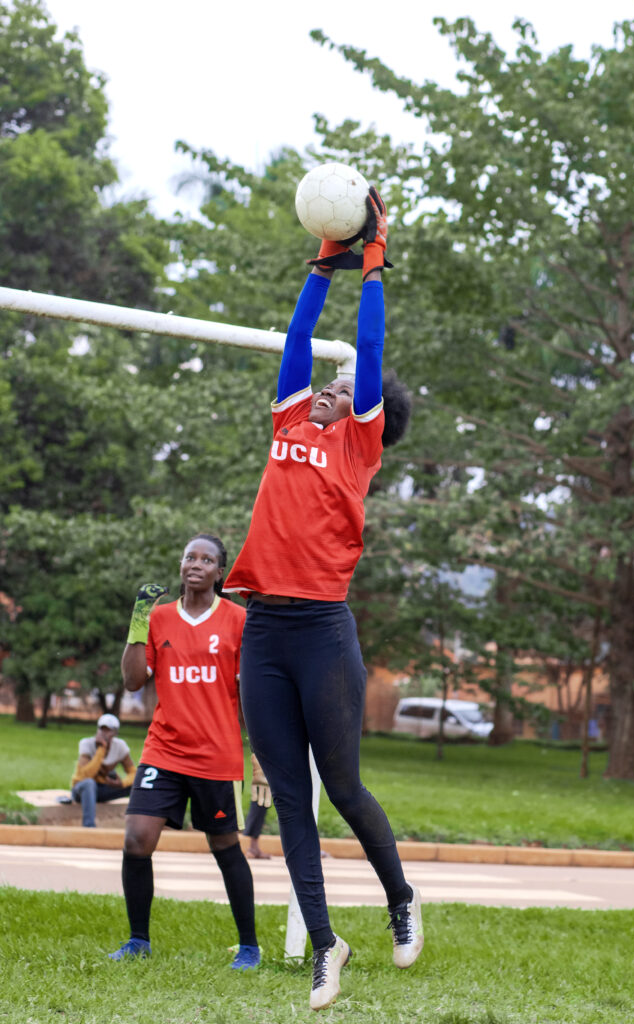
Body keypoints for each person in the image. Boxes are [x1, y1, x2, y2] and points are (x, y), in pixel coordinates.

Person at [223, 188, 422, 1011]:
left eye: (350, 384)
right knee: (289, 798)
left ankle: (401, 897)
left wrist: (373, 266)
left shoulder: (358, 444)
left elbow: (366, 348)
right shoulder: (292, 418)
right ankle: (324, 943)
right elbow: (302, 336)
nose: (337, 383)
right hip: (263, 629)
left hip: (321, 632)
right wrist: (320, 267)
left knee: (342, 786)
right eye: (334, 381)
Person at [110, 534, 260, 970]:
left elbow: (251, 694)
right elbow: (134, 681)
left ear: (220, 571)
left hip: (217, 755)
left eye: (206, 558)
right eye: (189, 556)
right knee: (137, 840)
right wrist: (138, 623)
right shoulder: (157, 618)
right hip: (164, 751)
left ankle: (249, 946)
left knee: (225, 845)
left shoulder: (238, 620)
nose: (195, 563)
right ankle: (139, 940)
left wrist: (262, 752)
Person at [70, 713, 136, 827]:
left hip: (103, 789)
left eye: (108, 730)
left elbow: (133, 773)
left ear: (115, 733)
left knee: (138, 785)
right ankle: (89, 828)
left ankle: (138, 826)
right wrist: (101, 749)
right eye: (102, 729)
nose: (104, 733)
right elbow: (85, 775)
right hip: (81, 790)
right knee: (89, 784)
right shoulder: (86, 744)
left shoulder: (120, 746)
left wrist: (121, 783)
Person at [243, 753, 272, 859]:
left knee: (262, 797)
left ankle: (253, 846)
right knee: (262, 796)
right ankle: (252, 847)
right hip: (267, 750)